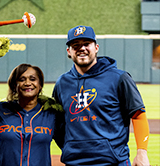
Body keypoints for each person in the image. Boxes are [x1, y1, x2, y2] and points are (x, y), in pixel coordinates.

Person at [52, 25, 150, 166]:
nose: (82, 48)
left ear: (96, 47)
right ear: (69, 51)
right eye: (76, 45)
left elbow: (138, 115)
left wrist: (142, 152)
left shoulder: (119, 78)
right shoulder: (62, 83)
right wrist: (70, 148)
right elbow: (58, 123)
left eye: (87, 44)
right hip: (74, 162)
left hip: (113, 162)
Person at [0, 63, 64, 166]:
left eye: (32, 79)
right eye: (22, 79)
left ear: (40, 85)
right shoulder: (0, 111)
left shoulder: (51, 114)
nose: (27, 83)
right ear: (14, 85)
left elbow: (68, 145)